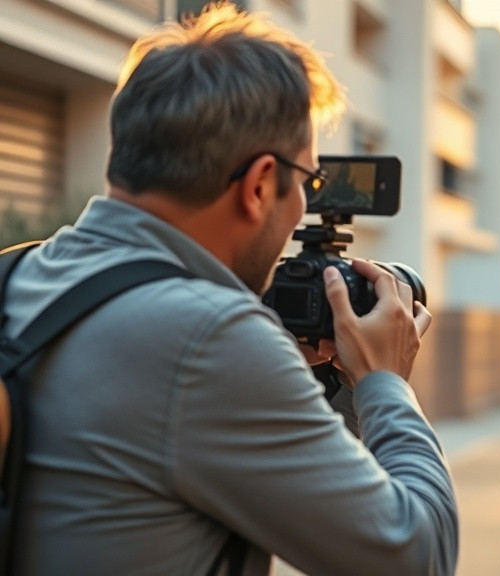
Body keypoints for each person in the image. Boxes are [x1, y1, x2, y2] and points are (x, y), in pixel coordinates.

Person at [1, 3, 457, 575]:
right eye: (306, 181)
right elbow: (418, 558)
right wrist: (385, 383)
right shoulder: (210, 339)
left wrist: (313, 380)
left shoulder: (15, 276)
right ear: (261, 183)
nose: (301, 209)